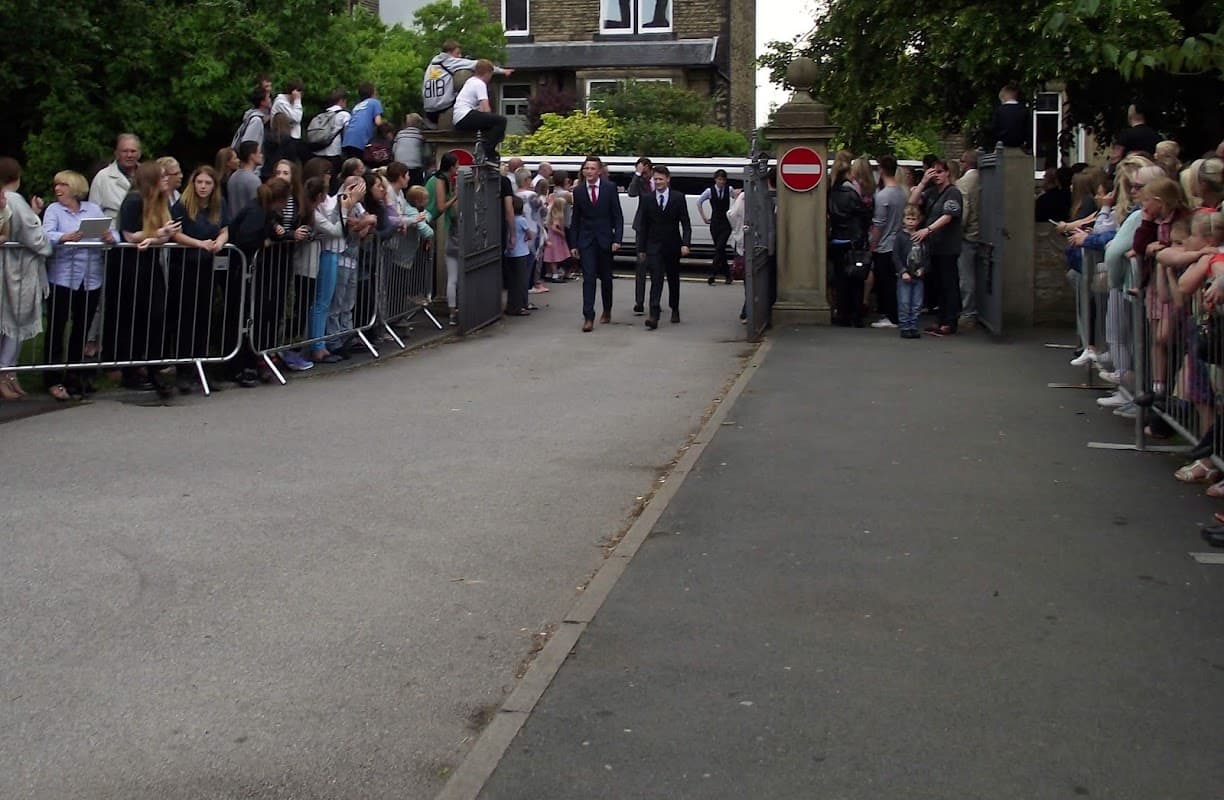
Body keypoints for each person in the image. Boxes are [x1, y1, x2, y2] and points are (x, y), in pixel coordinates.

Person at [43, 170, 114, 400]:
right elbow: (46, 234)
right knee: (57, 326)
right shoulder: (54, 210)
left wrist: (110, 238)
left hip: (90, 277)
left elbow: (110, 231)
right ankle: (52, 377)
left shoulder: (92, 209)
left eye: (63, 185)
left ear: (74, 187)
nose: (58, 189)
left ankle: (75, 374)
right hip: (63, 277)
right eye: (56, 185)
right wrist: (65, 237)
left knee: (81, 327)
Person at [112, 160, 180, 396]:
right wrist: (156, 234)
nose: (166, 180)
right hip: (133, 266)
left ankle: (151, 366)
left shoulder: (160, 203)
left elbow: (158, 237)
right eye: (161, 176)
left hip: (151, 263)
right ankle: (131, 368)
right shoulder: (133, 200)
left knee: (157, 314)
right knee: (136, 316)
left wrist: (157, 237)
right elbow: (130, 235)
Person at [169, 165, 229, 393]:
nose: (203, 187)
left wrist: (220, 241)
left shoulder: (219, 205)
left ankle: (201, 366)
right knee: (186, 318)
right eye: (200, 182)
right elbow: (175, 233)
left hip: (207, 267)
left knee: (204, 316)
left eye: (208, 183)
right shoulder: (182, 205)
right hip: (185, 266)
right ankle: (183, 370)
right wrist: (199, 243)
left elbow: (224, 228)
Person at [0, 158, 51, 401]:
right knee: (15, 322)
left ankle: (9, 373)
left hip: (11, 266)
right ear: (16, 176)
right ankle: (6, 371)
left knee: (9, 321)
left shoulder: (10, 201)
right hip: (16, 269)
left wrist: (35, 214)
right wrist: (47, 238)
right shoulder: (13, 200)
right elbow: (36, 238)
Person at [568, 155, 623, 331]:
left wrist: (617, 239)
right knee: (589, 278)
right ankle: (588, 316)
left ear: (599, 171)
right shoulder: (578, 191)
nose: (589, 172)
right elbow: (576, 218)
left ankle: (607, 310)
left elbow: (617, 215)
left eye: (592, 169)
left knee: (606, 278)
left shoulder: (609, 188)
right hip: (586, 240)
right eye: (586, 168)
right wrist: (574, 244)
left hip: (605, 238)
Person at [912, 158, 964, 336]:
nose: (937, 176)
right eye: (934, 172)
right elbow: (912, 202)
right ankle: (941, 318)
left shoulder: (953, 193)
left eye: (940, 172)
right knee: (938, 284)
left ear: (948, 172)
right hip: (933, 247)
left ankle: (950, 321)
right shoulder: (932, 192)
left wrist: (928, 229)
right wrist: (923, 182)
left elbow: (948, 216)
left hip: (948, 246)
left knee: (949, 283)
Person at [637, 165, 692, 329]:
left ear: (668, 179)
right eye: (656, 179)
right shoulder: (647, 199)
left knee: (673, 279)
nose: (658, 182)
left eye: (661, 179)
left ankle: (674, 308)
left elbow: (686, 223)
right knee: (656, 279)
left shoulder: (678, 197)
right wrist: (642, 249)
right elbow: (643, 225)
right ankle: (654, 315)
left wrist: (686, 244)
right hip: (653, 246)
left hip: (673, 245)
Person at [421, 40, 514, 127]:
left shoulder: (431, 66)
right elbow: (480, 65)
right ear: (449, 53)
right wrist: (502, 71)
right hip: (443, 108)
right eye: (457, 53)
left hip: (428, 110)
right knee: (469, 102)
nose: (460, 56)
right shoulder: (450, 61)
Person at [869, 155, 906, 328]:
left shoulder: (883, 196)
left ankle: (891, 316)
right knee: (895, 281)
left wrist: (873, 244)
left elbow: (879, 223)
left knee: (886, 282)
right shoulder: (901, 193)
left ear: (881, 169)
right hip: (898, 241)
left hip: (884, 245)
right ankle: (896, 313)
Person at [425, 153, 460, 323]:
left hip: (435, 221)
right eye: (457, 165)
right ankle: (453, 310)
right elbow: (440, 206)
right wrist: (456, 196)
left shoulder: (443, 180)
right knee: (453, 277)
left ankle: (454, 310)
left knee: (452, 276)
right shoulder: (440, 180)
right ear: (451, 167)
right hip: (430, 220)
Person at [452, 60, 508, 163]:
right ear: (487, 73)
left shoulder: (470, 81)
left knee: (490, 124)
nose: (490, 78)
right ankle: (488, 151)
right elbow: (486, 109)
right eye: (491, 75)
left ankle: (484, 147)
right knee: (501, 120)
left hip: (459, 118)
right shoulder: (480, 84)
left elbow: (481, 112)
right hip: (465, 115)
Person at [955, 149, 982, 328]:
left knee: (966, 276)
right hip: (981, 232)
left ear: (967, 163)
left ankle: (968, 312)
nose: (960, 164)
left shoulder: (964, 183)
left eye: (962, 161)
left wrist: (957, 232)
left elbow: (964, 211)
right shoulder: (983, 178)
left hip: (968, 234)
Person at [89, 133, 141, 221]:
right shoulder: (103, 177)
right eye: (125, 151)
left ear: (139, 153)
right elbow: (93, 212)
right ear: (116, 153)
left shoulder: (148, 174)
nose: (129, 155)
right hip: (113, 229)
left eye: (133, 151)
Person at [894, 204, 927, 338]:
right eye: (908, 219)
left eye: (913, 219)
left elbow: (927, 255)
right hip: (905, 275)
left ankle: (913, 325)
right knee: (904, 302)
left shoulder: (921, 237)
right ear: (903, 220)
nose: (911, 222)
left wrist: (923, 268)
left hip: (918, 275)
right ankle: (905, 326)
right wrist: (902, 271)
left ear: (918, 221)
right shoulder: (900, 237)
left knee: (917, 303)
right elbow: (895, 256)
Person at [698, 169, 734, 285]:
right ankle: (728, 275)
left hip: (726, 223)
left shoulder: (729, 189)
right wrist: (704, 217)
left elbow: (738, 199)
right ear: (715, 180)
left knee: (719, 248)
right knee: (720, 250)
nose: (722, 182)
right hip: (714, 223)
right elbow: (699, 202)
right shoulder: (709, 191)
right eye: (719, 179)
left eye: (723, 179)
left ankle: (712, 274)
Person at [628, 157, 654, 313]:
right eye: (640, 172)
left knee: (657, 266)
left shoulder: (658, 180)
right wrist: (637, 175)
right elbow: (631, 193)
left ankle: (654, 300)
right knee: (641, 264)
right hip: (642, 227)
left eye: (644, 171)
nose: (643, 175)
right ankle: (639, 301)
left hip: (657, 228)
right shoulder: (640, 182)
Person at [504, 195, 535, 316]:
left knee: (511, 282)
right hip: (521, 252)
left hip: (509, 253)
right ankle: (520, 306)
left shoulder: (507, 220)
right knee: (521, 281)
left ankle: (510, 306)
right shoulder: (521, 220)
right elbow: (530, 235)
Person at [312, 89, 351, 180]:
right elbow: (347, 133)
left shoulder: (321, 114)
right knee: (332, 181)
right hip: (333, 154)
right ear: (342, 101)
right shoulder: (344, 114)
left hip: (317, 152)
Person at [341, 83, 384, 162]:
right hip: (360, 139)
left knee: (350, 165)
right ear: (373, 93)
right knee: (359, 166)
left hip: (347, 139)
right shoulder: (375, 102)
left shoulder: (357, 106)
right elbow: (378, 122)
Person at [228, 141, 263, 213]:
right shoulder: (254, 180)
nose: (261, 155)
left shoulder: (232, 177)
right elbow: (257, 207)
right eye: (259, 152)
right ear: (252, 156)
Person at [991, 82, 1028, 149]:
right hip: (1019, 144)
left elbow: (994, 128)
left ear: (1003, 97)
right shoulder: (1024, 110)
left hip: (1002, 144)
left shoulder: (999, 111)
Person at [392, 114, 426, 185]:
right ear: (419, 124)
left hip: (399, 166)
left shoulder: (399, 134)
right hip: (415, 168)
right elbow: (426, 153)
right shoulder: (421, 135)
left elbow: (394, 150)